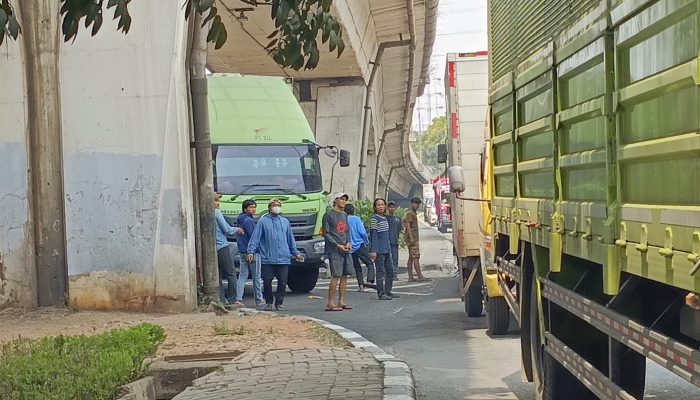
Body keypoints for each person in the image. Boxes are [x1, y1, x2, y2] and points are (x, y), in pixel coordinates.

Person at [247, 198, 303, 311]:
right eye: (274, 205)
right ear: (269, 208)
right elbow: (256, 238)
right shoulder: (263, 221)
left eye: (278, 205)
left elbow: (290, 239)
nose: (276, 207)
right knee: (267, 281)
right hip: (267, 258)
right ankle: (269, 302)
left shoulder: (285, 222)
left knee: (282, 282)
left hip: (283, 258)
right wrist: (251, 251)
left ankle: (279, 303)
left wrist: (295, 253)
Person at [323, 193, 354, 311]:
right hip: (334, 249)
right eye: (341, 199)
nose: (343, 201)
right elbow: (326, 233)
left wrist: (349, 242)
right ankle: (330, 302)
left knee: (344, 275)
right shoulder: (328, 215)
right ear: (336, 200)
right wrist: (337, 245)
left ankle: (341, 301)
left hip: (345, 248)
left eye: (345, 199)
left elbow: (347, 231)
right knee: (336, 275)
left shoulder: (345, 215)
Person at [235, 199, 265, 307]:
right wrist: (252, 251)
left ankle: (238, 298)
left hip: (242, 250)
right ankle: (259, 299)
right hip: (251, 252)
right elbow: (254, 236)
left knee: (243, 275)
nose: (253, 209)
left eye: (254, 207)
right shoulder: (249, 221)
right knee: (256, 276)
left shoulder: (240, 219)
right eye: (251, 207)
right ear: (245, 209)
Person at [214, 193, 241, 307]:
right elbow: (227, 229)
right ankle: (233, 299)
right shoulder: (216, 213)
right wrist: (237, 229)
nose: (218, 203)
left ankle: (220, 298)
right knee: (231, 273)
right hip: (221, 245)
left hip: (212, 247)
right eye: (216, 200)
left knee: (218, 274)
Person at [369, 198, 399, 300]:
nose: (381, 207)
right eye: (378, 205)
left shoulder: (385, 218)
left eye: (382, 204)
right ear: (375, 207)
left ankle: (387, 291)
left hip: (387, 249)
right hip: (379, 250)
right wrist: (374, 251)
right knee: (380, 272)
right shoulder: (374, 219)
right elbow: (374, 235)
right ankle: (381, 293)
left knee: (390, 271)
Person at [345, 203, 375, 291]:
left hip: (350, 247)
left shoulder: (344, 220)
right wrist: (366, 242)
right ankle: (370, 280)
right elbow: (362, 232)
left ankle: (361, 285)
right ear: (353, 210)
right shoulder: (357, 219)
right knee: (369, 263)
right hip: (360, 245)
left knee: (357, 267)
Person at [404, 196, 428, 282]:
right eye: (415, 203)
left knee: (411, 257)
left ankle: (411, 276)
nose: (416, 205)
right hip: (412, 238)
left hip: (413, 238)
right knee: (416, 257)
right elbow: (408, 225)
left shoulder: (412, 213)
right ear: (411, 203)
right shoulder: (410, 213)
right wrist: (411, 237)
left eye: (418, 204)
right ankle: (419, 275)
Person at [386, 200, 402, 280]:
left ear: (395, 208)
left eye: (393, 207)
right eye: (390, 207)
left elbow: (399, 229)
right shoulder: (385, 219)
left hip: (395, 242)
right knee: (388, 259)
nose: (392, 209)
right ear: (387, 208)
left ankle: (394, 274)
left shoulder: (398, 219)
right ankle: (388, 274)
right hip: (386, 242)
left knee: (395, 259)